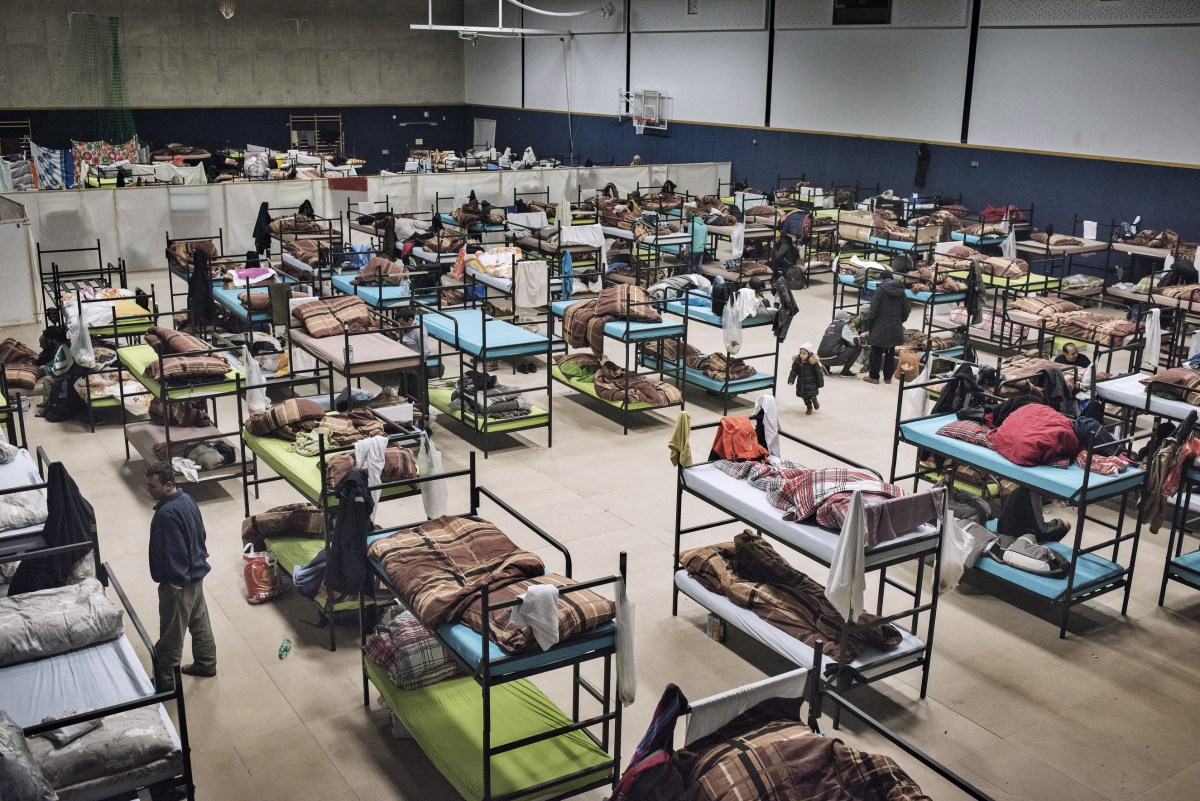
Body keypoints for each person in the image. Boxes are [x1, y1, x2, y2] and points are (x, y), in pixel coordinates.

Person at [146, 462, 216, 691]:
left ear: (168, 485)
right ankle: (206, 663)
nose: (149, 490)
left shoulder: (166, 514)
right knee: (199, 621)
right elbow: (202, 534)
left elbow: (172, 552)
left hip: (179, 583)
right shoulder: (187, 500)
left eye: (153, 486)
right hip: (196, 573)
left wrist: (175, 583)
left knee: (171, 636)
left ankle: (166, 684)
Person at [860, 277, 910, 384]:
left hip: (880, 326)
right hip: (895, 327)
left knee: (876, 352)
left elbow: (873, 310)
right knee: (890, 352)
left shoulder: (880, 291)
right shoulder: (901, 292)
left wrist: (871, 322)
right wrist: (899, 320)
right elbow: (906, 309)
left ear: (882, 279)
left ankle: (874, 376)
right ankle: (888, 378)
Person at [818, 309, 864, 376]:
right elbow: (854, 342)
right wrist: (857, 337)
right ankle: (845, 371)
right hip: (832, 359)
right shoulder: (843, 326)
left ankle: (826, 366)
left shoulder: (831, 325)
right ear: (845, 317)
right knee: (858, 346)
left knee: (833, 345)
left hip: (821, 358)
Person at [788, 342, 824, 415]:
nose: (802, 355)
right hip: (801, 383)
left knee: (812, 394)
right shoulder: (797, 362)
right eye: (800, 353)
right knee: (804, 396)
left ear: (808, 354)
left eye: (804, 354)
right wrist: (791, 379)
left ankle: (814, 399)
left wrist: (820, 383)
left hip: (811, 382)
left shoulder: (812, 362)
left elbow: (819, 373)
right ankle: (809, 406)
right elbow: (793, 371)